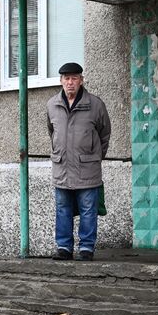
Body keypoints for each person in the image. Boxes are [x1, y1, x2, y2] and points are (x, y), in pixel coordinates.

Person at [46, 62, 111, 260]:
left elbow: (104, 134)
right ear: (61, 81)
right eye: (66, 79)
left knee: (88, 210)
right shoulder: (52, 105)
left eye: (74, 78)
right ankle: (64, 248)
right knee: (62, 209)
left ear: (81, 81)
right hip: (62, 168)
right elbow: (52, 132)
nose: (70, 82)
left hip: (87, 168)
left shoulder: (96, 105)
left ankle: (86, 249)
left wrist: (94, 157)